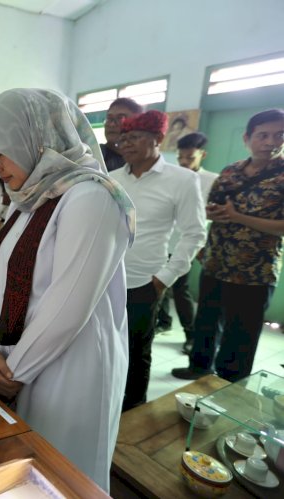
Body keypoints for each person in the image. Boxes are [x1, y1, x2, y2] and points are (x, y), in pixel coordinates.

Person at [0, 88, 135, 492]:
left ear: (34, 140)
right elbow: (2, 280)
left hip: (70, 367)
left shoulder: (91, 197)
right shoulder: (30, 197)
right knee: (29, 472)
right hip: (19, 362)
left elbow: (67, 305)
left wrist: (11, 374)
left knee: (66, 473)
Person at [172, 109, 284, 382]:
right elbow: (211, 208)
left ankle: (229, 384)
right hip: (216, 262)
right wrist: (211, 214)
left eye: (279, 135)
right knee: (207, 322)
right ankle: (199, 367)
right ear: (247, 138)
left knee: (240, 335)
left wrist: (237, 217)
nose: (270, 142)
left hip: (255, 271)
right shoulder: (231, 171)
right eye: (263, 135)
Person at [110, 110, 206, 411]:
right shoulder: (112, 179)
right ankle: (107, 401)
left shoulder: (182, 180)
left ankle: (133, 409)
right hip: (106, 278)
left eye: (135, 137)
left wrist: (165, 277)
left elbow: (194, 233)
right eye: (123, 138)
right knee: (106, 347)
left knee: (138, 350)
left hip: (143, 282)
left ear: (159, 139)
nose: (127, 144)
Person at [155, 132, 218, 353]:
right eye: (180, 158)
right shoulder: (172, 177)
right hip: (164, 241)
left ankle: (190, 333)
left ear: (203, 154)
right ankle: (163, 322)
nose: (184, 163)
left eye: (189, 158)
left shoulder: (212, 180)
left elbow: (213, 215)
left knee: (180, 290)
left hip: (189, 244)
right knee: (159, 283)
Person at [101, 98, 144, 172]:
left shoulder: (144, 161)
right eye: (109, 118)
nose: (112, 124)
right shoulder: (96, 155)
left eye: (120, 118)